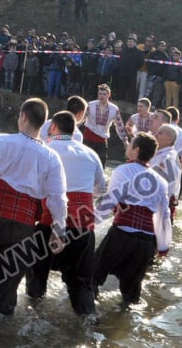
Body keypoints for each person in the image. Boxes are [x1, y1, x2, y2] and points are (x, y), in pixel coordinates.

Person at [0, 98, 68, 315]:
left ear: (23, 117)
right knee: (8, 286)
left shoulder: (1, 142)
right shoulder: (51, 157)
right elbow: (58, 199)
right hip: (21, 226)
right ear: (44, 123)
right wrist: (59, 232)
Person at [27, 111, 106, 315]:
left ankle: (32, 318)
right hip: (82, 227)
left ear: (53, 127)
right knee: (81, 286)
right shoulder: (91, 153)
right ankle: (89, 326)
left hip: (50, 223)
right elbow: (101, 188)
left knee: (36, 282)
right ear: (74, 129)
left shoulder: (44, 149)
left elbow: (32, 185)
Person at [92, 132, 171, 306]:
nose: (126, 146)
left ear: (136, 150)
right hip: (145, 242)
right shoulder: (161, 181)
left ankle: (89, 318)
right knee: (131, 293)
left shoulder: (123, 170)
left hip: (122, 235)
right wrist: (164, 246)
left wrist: (90, 225)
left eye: (130, 144)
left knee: (92, 276)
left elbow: (109, 201)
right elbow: (163, 216)